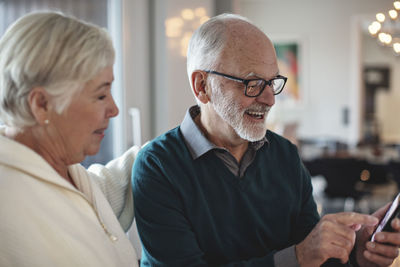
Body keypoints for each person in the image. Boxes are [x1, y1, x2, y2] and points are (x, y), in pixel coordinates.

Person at [132, 13, 400, 266]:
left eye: (272, 82)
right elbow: (302, 256)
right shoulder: (158, 167)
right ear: (202, 86)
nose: (270, 99)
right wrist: (297, 257)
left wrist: (358, 255)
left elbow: (312, 256)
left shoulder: (284, 155)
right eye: (252, 83)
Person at [0, 12, 138, 266]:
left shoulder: (65, 169)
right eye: (100, 95)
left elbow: (95, 200)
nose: (114, 109)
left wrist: (161, 150)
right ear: (42, 104)